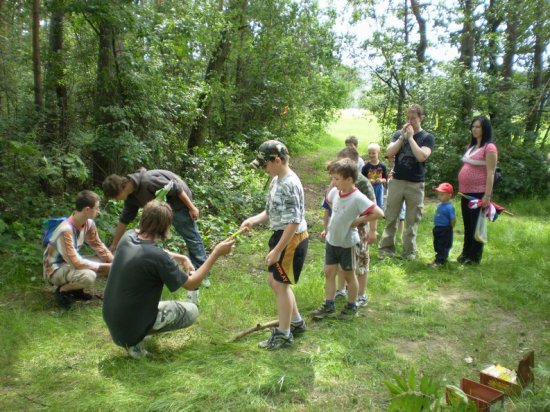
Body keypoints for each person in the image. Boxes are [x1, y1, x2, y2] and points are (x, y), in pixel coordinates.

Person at [102, 200, 235, 359]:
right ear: (166, 226)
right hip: (130, 329)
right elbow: (191, 284)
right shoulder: (157, 258)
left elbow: (153, 250)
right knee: (191, 311)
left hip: (112, 318)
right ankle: (136, 341)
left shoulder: (128, 236)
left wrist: (182, 258)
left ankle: (137, 333)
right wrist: (216, 254)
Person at [102, 168, 209, 303]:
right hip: (161, 209)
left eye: (115, 197)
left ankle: (202, 273)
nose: (116, 200)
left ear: (121, 189)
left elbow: (176, 188)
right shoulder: (131, 198)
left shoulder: (148, 181)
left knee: (191, 237)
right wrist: (113, 245)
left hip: (179, 202)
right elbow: (124, 220)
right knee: (148, 235)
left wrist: (192, 207)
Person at [240, 140, 309, 350]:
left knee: (280, 284)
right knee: (276, 282)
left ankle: (284, 334)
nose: (263, 169)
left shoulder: (290, 183)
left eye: (264, 165)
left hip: (291, 238)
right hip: (280, 235)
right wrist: (254, 219)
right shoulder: (276, 179)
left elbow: (294, 221)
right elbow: (270, 212)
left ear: (277, 160)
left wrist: (278, 250)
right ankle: (296, 323)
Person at [312, 158, 384, 320]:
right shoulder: (335, 192)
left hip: (348, 244)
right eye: (333, 178)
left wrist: (358, 221)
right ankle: (328, 304)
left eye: (337, 179)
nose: (333, 182)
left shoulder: (358, 197)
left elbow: (379, 213)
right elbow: (330, 205)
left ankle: (352, 306)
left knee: (348, 276)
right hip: (332, 240)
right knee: (330, 272)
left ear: (349, 180)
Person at [378, 104, 435, 260]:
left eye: (414, 118)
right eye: (408, 118)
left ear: (421, 118)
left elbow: (422, 156)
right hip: (397, 181)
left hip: (415, 184)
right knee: (391, 217)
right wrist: (403, 137)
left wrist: (410, 138)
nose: (410, 121)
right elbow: (389, 153)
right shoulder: (398, 134)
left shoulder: (427, 137)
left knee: (411, 220)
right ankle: (386, 249)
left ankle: (408, 252)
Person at [43, 190, 113, 309]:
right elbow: (75, 262)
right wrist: (107, 267)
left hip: (69, 264)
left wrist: (114, 261)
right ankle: (63, 291)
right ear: (87, 210)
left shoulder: (89, 223)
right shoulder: (65, 230)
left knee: (106, 260)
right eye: (97, 208)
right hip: (55, 269)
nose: (98, 211)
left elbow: (98, 246)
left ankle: (77, 292)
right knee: (88, 275)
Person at [330, 147, 376, 307]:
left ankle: (361, 294)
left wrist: (371, 229)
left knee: (360, 263)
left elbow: (374, 208)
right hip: (342, 231)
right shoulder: (338, 181)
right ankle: (341, 289)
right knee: (343, 262)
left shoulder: (362, 182)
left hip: (360, 231)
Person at [457, 116, 498, 264]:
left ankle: (474, 257)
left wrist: (487, 196)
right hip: (465, 192)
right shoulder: (472, 146)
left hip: (478, 193)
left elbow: (491, 172)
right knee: (468, 225)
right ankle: (465, 253)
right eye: (473, 126)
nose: (474, 129)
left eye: (478, 127)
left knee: (476, 226)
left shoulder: (490, 147)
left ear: (484, 129)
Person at [430, 183, 456, 268]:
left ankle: (440, 262)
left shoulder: (449, 207)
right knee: (437, 244)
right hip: (437, 228)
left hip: (445, 229)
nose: (439, 196)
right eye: (438, 194)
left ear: (449, 195)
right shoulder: (440, 205)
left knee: (443, 244)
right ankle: (438, 259)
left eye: (442, 194)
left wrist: (450, 227)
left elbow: (453, 219)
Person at [362, 143, 387, 209]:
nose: (371, 155)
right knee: (369, 202)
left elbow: (385, 178)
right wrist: (369, 180)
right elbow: (363, 179)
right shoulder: (366, 167)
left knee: (379, 202)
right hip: (369, 187)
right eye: (369, 153)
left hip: (379, 188)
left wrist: (381, 180)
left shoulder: (382, 166)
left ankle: (378, 213)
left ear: (378, 153)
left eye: (373, 153)